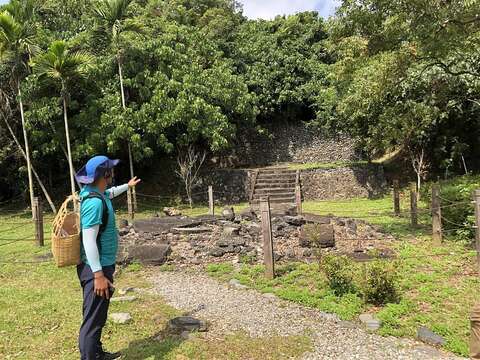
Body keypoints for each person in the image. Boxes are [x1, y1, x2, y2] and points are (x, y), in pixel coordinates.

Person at [75, 155, 141, 360]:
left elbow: (110, 193)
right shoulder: (94, 203)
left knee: (96, 315)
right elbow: (88, 240)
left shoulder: (96, 193)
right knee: (93, 319)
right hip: (97, 269)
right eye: (110, 170)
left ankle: (96, 352)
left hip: (99, 267)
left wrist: (127, 186)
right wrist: (98, 275)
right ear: (105, 174)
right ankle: (89, 356)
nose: (112, 173)